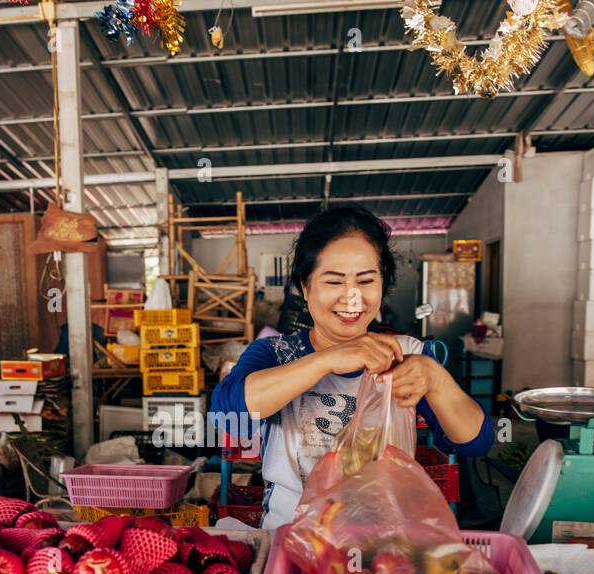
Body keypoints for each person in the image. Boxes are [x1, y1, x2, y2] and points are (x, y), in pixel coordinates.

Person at [211, 206, 494, 529]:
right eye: (334, 281)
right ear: (306, 287)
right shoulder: (276, 353)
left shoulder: (406, 354)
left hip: (385, 543)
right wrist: (326, 360)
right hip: (291, 540)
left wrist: (436, 380)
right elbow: (226, 415)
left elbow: (475, 442)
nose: (352, 297)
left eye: (366, 280)